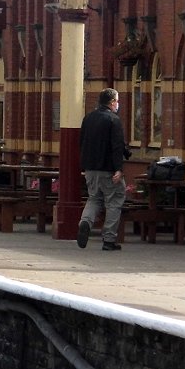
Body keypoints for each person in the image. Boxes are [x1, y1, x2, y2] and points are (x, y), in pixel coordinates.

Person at [77, 87, 130, 251]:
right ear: (112, 102)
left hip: (91, 168)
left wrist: (84, 166)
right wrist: (119, 169)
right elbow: (116, 146)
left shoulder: (88, 118)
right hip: (108, 169)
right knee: (115, 200)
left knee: (94, 199)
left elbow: (82, 142)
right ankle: (109, 239)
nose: (118, 104)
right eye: (117, 101)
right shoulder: (113, 120)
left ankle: (85, 221)